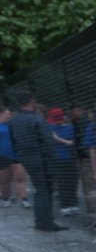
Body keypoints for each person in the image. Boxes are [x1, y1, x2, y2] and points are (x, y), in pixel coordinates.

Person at [8, 89, 64, 231]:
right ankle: (46, 223)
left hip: (27, 158)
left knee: (39, 189)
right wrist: (53, 158)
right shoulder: (36, 118)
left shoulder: (14, 121)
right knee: (45, 190)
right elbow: (48, 140)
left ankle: (41, 221)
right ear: (32, 101)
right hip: (43, 158)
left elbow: (13, 141)